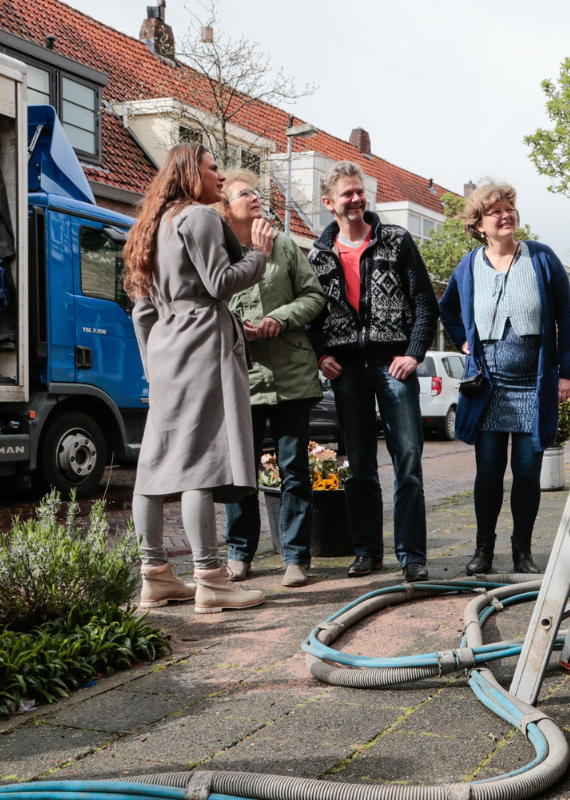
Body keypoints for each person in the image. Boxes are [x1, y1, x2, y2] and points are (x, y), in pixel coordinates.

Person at [123, 142, 273, 614]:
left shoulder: (153, 226)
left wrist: (155, 366)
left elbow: (141, 310)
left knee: (153, 465)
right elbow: (221, 282)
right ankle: (211, 579)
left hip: (166, 349)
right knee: (202, 463)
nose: (221, 180)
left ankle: (155, 577)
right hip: (202, 344)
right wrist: (257, 254)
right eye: (213, 171)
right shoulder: (201, 218)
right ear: (191, 173)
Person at [306, 161, 439, 582]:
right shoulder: (318, 255)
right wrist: (319, 354)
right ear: (330, 203)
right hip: (347, 371)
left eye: (359, 191)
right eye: (347, 193)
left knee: (408, 459)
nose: (356, 199)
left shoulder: (396, 240)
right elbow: (312, 314)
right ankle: (366, 551)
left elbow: (425, 302)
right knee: (360, 464)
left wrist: (414, 353)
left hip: (392, 365)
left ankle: (412, 555)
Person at [439, 182, 570, 575]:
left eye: (509, 208)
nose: (505, 215)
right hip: (489, 384)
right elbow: (447, 309)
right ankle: (483, 549)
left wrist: (565, 373)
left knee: (529, 471)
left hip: (533, 383)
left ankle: (523, 552)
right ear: (478, 224)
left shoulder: (542, 258)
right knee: (488, 470)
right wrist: (464, 342)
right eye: (495, 211)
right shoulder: (468, 266)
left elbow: (566, 317)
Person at [218, 170, 327, 588]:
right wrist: (234, 325)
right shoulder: (219, 249)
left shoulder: (284, 244)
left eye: (257, 192)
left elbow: (314, 296)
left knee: (294, 468)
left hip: (290, 376)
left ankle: (296, 558)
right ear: (227, 207)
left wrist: (279, 319)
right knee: (238, 472)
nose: (255, 197)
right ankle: (239, 553)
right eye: (244, 193)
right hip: (241, 377)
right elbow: (208, 300)